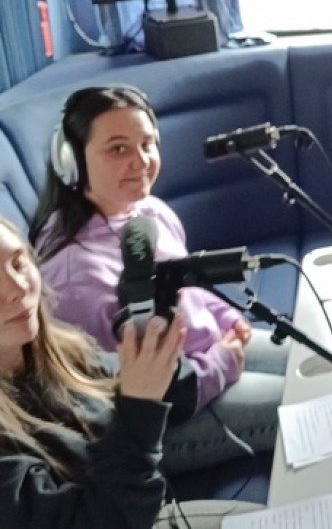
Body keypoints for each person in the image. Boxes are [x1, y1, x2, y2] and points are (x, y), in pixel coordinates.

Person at [29, 85, 289, 474]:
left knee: (325, 367)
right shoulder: (73, 278)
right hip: (166, 419)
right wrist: (223, 362)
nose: (141, 161)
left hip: (208, 353)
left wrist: (226, 318)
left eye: (147, 144)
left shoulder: (147, 210)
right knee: (308, 407)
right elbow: (141, 394)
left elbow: (187, 283)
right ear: (72, 162)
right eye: (119, 149)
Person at [0, 215, 261, 529]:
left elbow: (152, 389)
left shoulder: (58, 350)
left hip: (135, 494)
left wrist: (160, 355)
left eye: (18, 263)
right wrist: (139, 407)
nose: (18, 288)